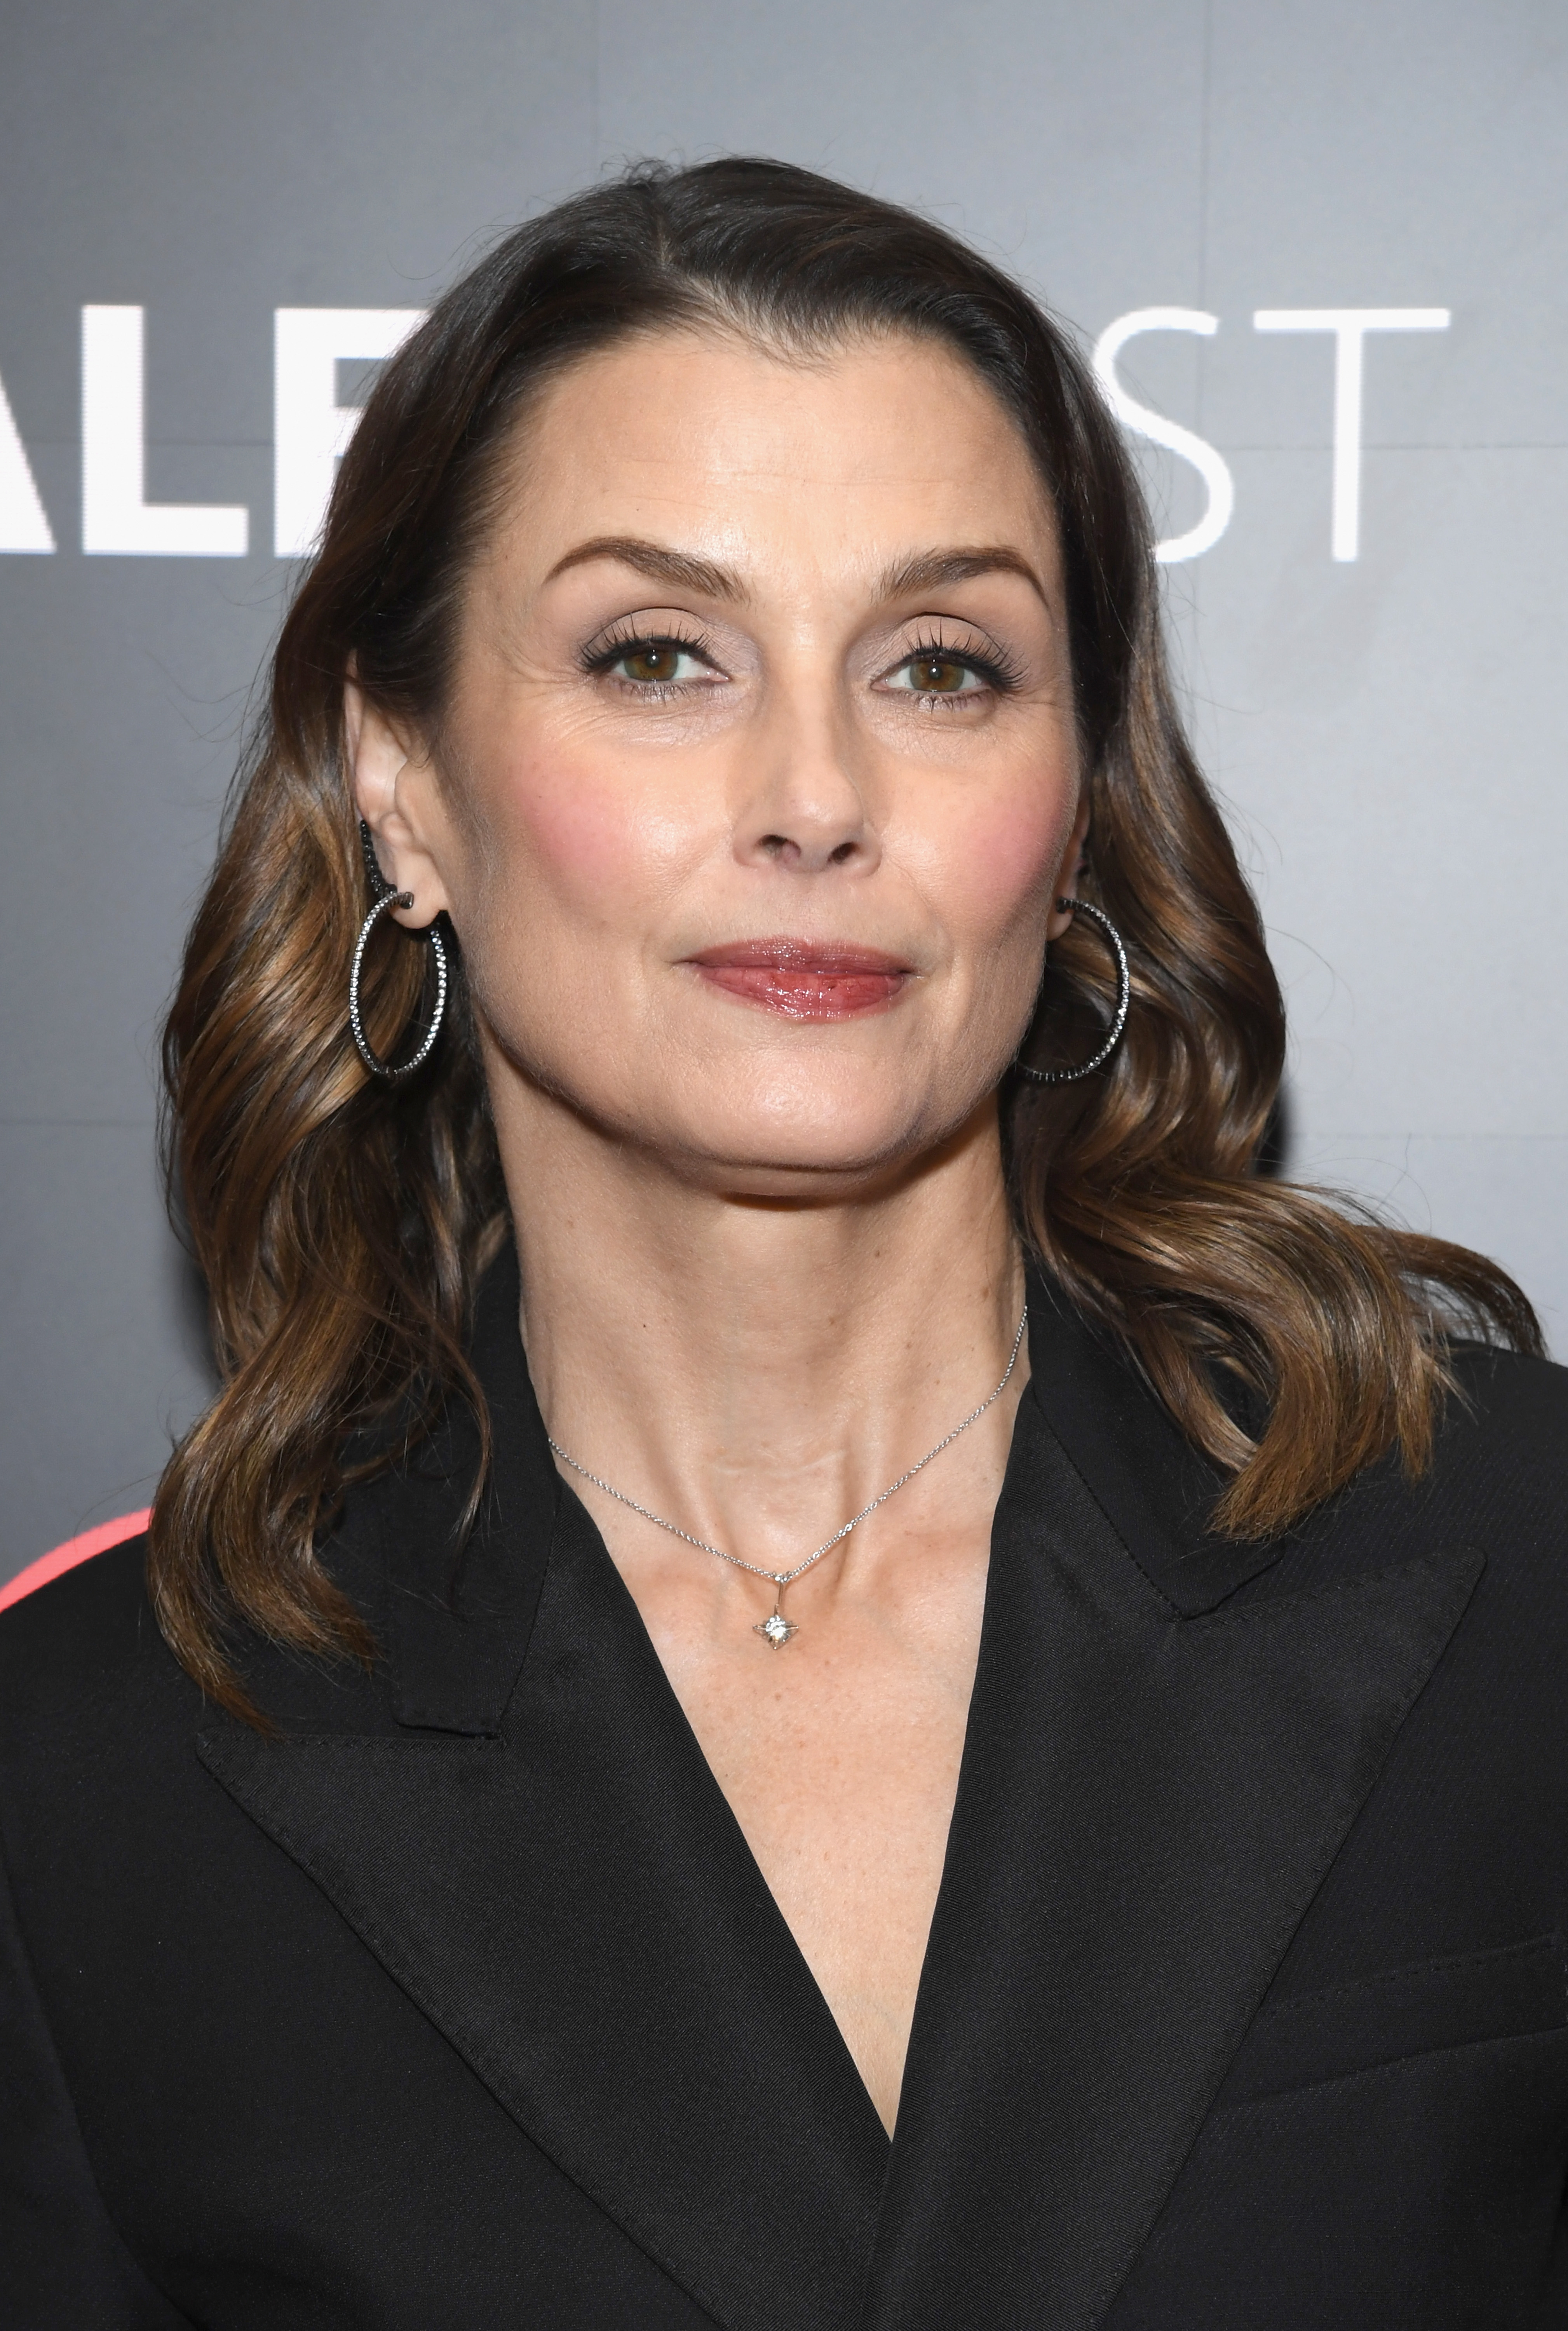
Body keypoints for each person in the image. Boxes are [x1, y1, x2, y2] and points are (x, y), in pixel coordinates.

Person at [2, 158, 1565, 2331]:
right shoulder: (88, 1781)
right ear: (402, 780)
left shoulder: (1511, 1557)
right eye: (658, 656)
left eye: (941, 667)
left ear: (1077, 791)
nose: (815, 794)